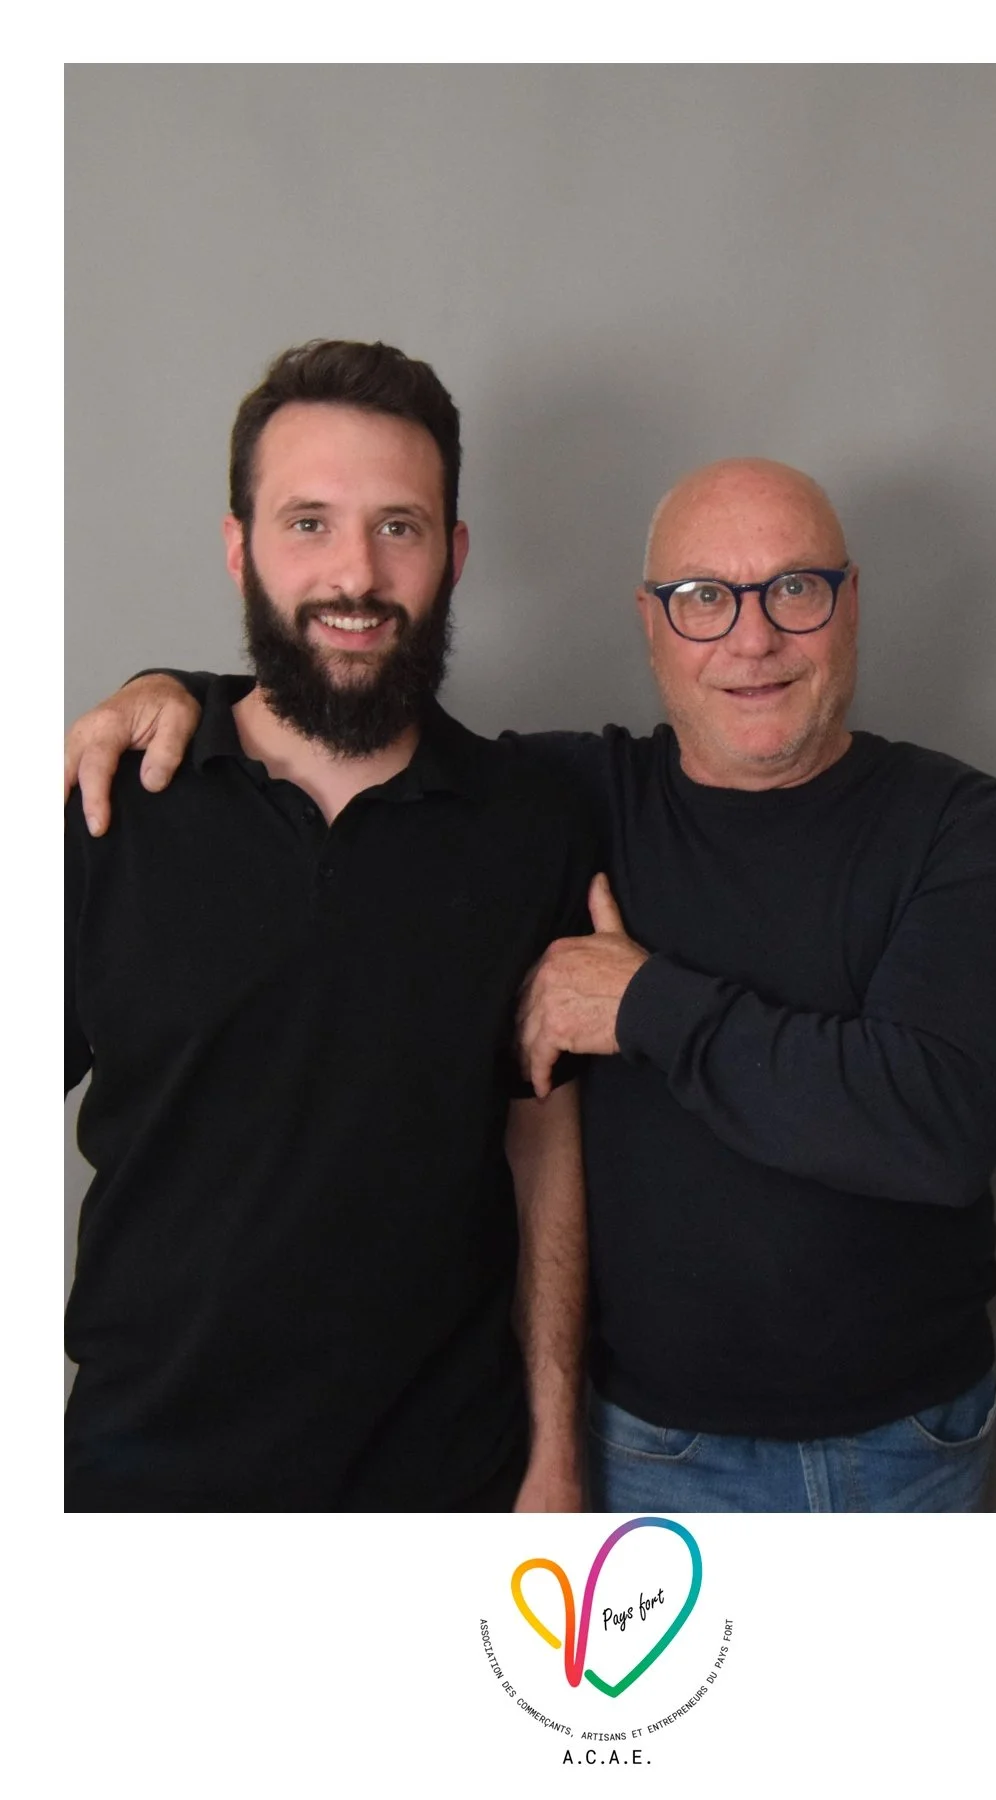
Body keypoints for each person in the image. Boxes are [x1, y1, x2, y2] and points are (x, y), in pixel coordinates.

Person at [67, 453, 996, 1513]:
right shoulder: (564, 802)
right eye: (703, 598)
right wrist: (174, 697)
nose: (752, 639)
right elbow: (344, 730)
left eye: (795, 591)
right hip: (651, 1452)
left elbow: (938, 1126)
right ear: (650, 623)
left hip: (909, 1439)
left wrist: (642, 1003)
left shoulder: (953, 819)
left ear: (850, 604)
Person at [64, 340, 598, 1512]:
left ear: (453, 556)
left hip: (446, 1489)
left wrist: (555, 1449)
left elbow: (542, 1146)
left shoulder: (531, 823)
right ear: (237, 547)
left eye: (399, 526)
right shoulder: (108, 806)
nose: (355, 574)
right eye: (308, 521)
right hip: (143, 1489)